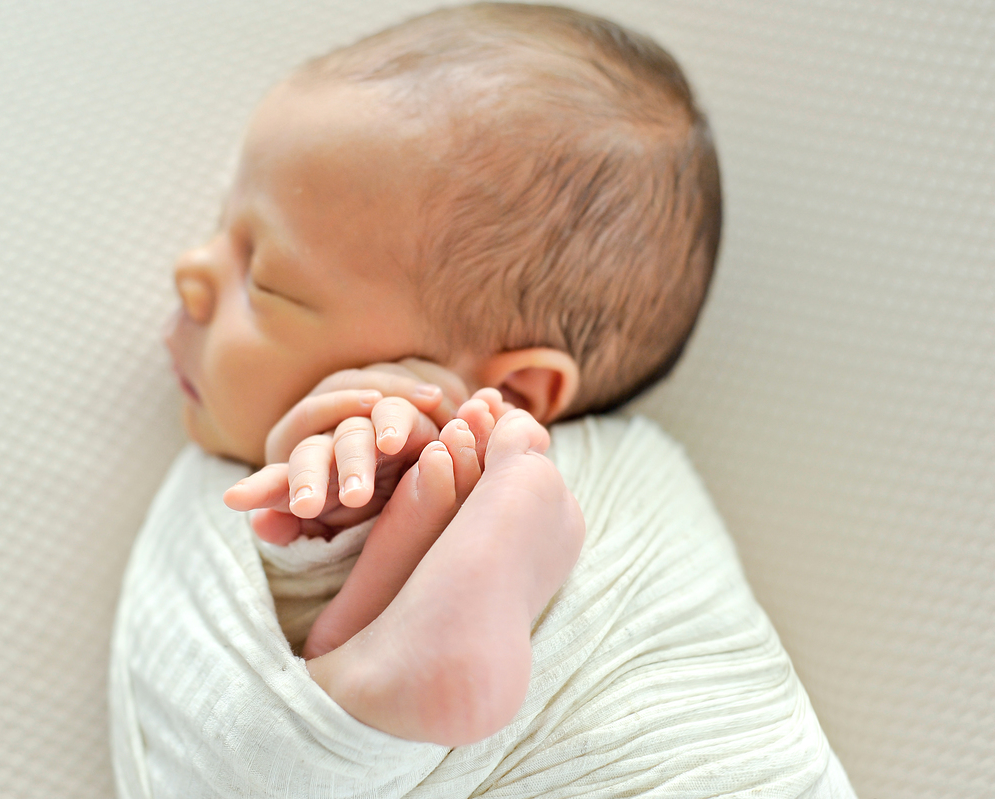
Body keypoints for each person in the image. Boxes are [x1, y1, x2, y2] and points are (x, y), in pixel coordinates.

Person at [116, 4, 855, 796]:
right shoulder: (654, 468)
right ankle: (374, 671)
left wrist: (336, 520)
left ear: (508, 393)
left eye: (267, 282)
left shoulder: (395, 449)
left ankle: (364, 692)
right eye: (221, 224)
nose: (191, 271)